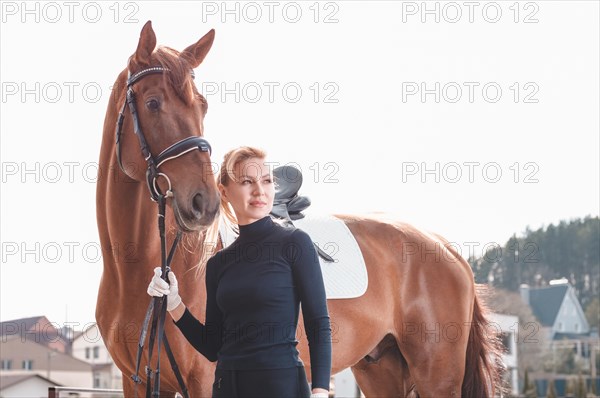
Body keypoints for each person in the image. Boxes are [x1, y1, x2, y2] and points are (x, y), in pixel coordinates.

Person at [147, 146, 332, 398]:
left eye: (266, 181)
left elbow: (318, 323)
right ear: (224, 191)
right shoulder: (218, 264)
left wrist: (320, 390)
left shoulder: (295, 243)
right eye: (247, 181)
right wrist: (175, 304)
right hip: (227, 388)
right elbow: (212, 347)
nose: (259, 190)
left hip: (281, 388)